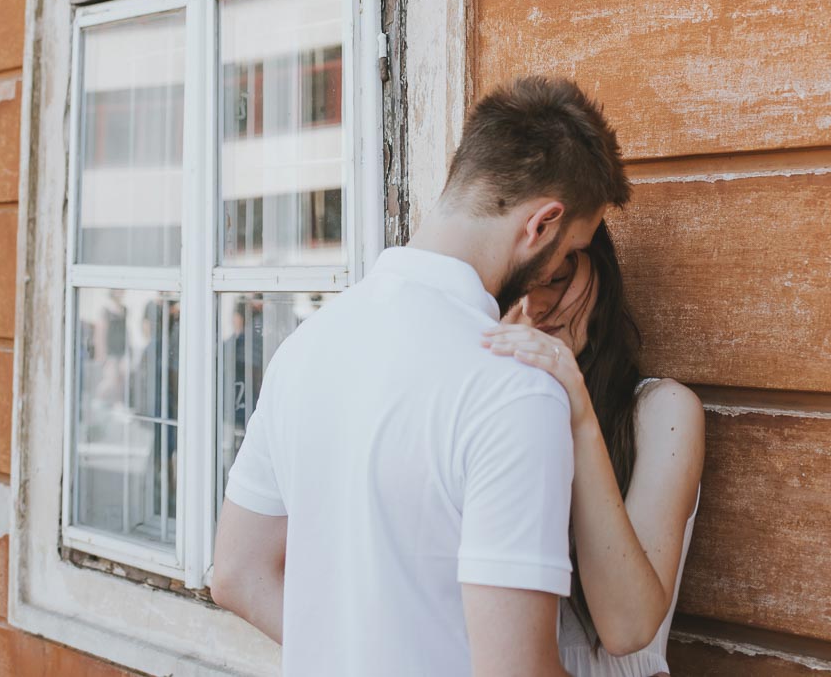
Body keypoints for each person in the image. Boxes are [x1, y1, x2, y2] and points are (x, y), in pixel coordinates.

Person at [210, 76, 633, 676]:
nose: (556, 275)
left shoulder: (305, 348)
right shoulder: (515, 390)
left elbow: (237, 573)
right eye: (569, 253)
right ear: (541, 225)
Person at [483, 221, 703, 677]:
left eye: (556, 278)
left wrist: (579, 413)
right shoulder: (485, 415)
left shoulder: (661, 412)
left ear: (600, 272)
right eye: (515, 289)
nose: (534, 306)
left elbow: (627, 627)